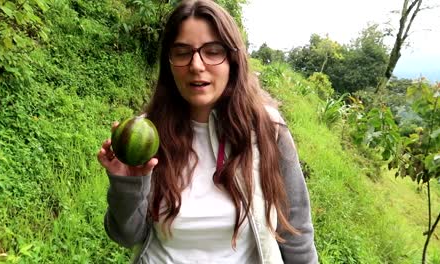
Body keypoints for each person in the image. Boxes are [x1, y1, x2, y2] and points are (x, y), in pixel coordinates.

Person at [97, 0, 318, 263]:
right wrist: (128, 183)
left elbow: (297, 232)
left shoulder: (267, 129)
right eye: (182, 52)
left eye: (213, 51)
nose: (196, 65)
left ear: (233, 60)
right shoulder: (148, 136)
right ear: (169, 62)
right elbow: (126, 235)